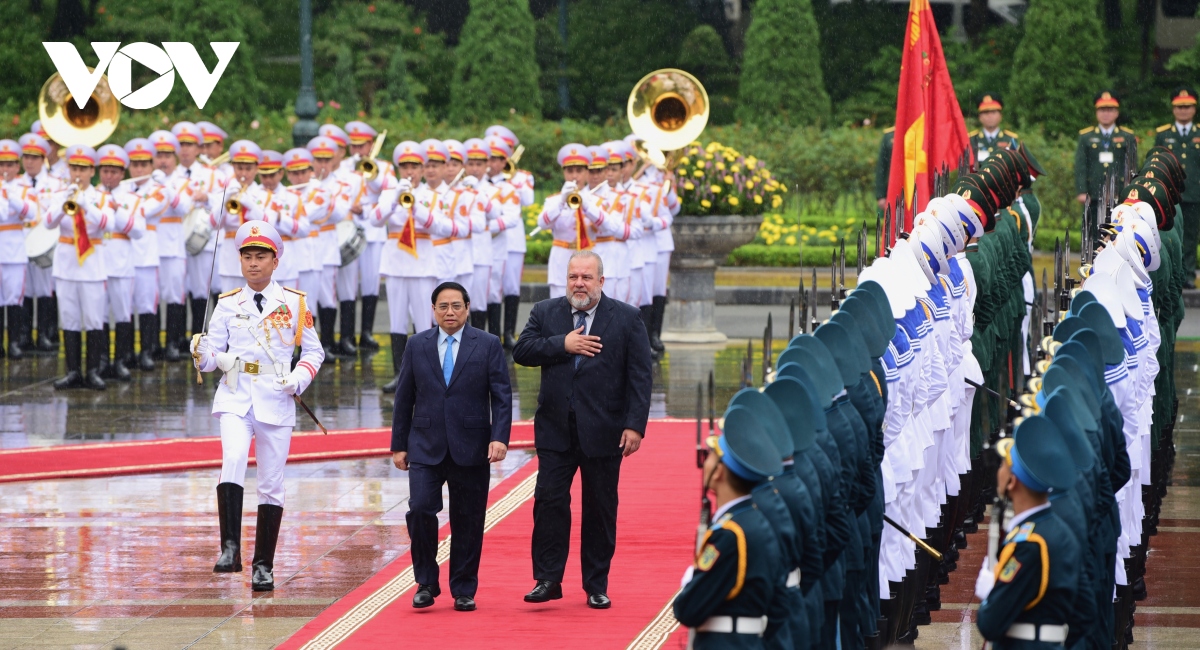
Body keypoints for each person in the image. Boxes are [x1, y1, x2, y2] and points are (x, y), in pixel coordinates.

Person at [512, 250, 653, 608]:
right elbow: (522, 351)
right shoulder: (546, 312)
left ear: (601, 281)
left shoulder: (627, 317)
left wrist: (635, 425)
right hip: (555, 429)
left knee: (600, 509)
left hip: (604, 430)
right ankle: (547, 579)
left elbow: (640, 376)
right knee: (549, 503)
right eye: (573, 276)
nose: (579, 283)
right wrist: (562, 344)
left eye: (586, 277)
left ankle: (596, 584)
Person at [191, 219, 325, 591]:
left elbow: (314, 352)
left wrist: (298, 379)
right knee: (233, 457)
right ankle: (230, 548)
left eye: (261, 257)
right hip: (235, 393)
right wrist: (200, 353)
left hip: (276, 397)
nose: (253, 263)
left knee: (271, 483)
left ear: (275, 261)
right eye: (247, 257)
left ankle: (263, 565)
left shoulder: (294, 303)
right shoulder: (227, 303)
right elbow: (211, 359)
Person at [390, 281, 512, 611]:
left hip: (471, 447)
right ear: (433, 310)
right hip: (425, 445)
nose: (450, 312)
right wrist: (398, 444)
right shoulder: (417, 344)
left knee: (468, 520)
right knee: (420, 509)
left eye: (456, 305)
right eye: (442, 306)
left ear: (467, 308)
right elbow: (404, 397)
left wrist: (499, 437)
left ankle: (463, 588)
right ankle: (426, 581)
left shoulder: (487, 344)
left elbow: (502, 395)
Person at [672, 404, 787, 649]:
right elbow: (780, 605)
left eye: (711, 455)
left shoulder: (730, 535)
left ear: (719, 472)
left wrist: (690, 583)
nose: (705, 461)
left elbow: (687, 609)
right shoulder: (757, 521)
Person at [974, 417, 1081, 649]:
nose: (999, 471)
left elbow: (990, 623)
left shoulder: (1030, 544)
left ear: (1012, 481)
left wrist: (991, 594)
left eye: (1003, 465)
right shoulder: (1058, 530)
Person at [47, 144, 115, 390]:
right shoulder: (60, 194)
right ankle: (73, 372)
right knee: (69, 318)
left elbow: (109, 224)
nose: (78, 173)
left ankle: (93, 371)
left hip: (92, 264)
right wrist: (63, 203)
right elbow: (48, 223)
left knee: (94, 319)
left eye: (83, 169)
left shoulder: (102, 197)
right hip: (66, 264)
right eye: (74, 168)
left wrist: (86, 205)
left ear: (91, 171)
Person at [96, 144, 146, 381]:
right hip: (97, 262)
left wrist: (118, 211)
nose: (109, 176)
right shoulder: (91, 196)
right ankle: (102, 361)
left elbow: (138, 231)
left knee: (123, 313)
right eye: (105, 171)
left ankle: (121, 361)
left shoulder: (132, 199)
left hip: (121, 263)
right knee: (100, 315)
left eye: (114, 172)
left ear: (122, 173)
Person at [14, 132, 64, 353]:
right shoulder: (16, 183)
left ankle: (44, 335)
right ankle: (25, 335)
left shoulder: (55, 183)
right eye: (26, 157)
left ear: (43, 158)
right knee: (24, 289)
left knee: (45, 289)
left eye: (34, 157)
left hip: (44, 241)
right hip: (20, 241)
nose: (30, 162)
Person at [484, 125, 532, 349]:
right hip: (488, 239)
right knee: (489, 288)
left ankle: (509, 333)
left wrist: (512, 180)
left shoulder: (521, 177)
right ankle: (490, 334)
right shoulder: (477, 180)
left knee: (511, 287)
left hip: (512, 239)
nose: (491, 162)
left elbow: (528, 200)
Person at [1153, 87, 1200, 287]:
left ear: (1194, 109)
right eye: (1179, 107)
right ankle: (1171, 274)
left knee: (1190, 237)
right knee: (1169, 236)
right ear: (1173, 109)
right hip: (1169, 195)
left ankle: (1188, 275)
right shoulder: (1163, 135)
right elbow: (1155, 164)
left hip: (1195, 194)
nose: (1183, 110)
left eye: (1187, 106)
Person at [1075, 91, 1135, 229]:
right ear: (1096, 112)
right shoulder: (1086, 136)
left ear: (1116, 113)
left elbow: (1131, 166)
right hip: (1093, 193)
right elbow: (1081, 165)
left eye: (1110, 110)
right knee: (1092, 231)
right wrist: (1082, 190)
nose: (1106, 113)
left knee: (1119, 231)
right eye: (1102, 110)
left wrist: (1131, 190)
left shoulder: (1127, 136)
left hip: (1119, 192)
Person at [0, 139, 37, 358]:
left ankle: (13, 342)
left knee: (14, 298)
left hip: (14, 250)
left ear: (17, 166)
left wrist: (10, 196)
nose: (5, 169)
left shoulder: (24, 189)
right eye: (1, 164)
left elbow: (31, 212)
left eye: (9, 164)